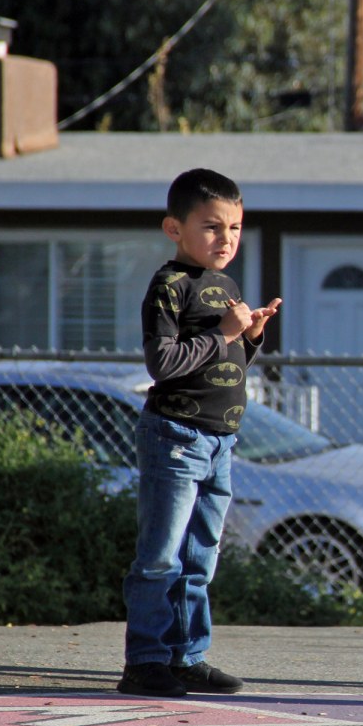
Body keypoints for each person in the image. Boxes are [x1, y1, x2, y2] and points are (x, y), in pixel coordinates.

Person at [117, 168, 282, 699]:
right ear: (174, 228)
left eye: (234, 228)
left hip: (221, 443)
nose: (226, 239)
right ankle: (144, 661)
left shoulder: (226, 287)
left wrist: (249, 338)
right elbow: (164, 364)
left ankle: (187, 657)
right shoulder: (168, 286)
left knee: (200, 555)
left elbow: (226, 364)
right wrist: (224, 333)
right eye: (212, 227)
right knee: (161, 555)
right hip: (176, 438)